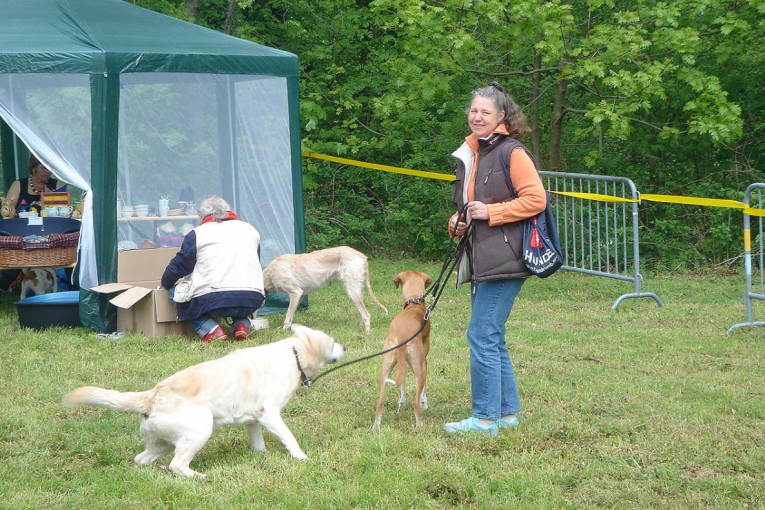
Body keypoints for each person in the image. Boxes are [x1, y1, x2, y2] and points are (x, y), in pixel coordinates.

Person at [444, 82, 547, 436]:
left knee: (481, 334)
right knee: (492, 335)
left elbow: (536, 200)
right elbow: (471, 206)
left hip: (508, 256)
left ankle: (485, 420)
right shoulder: (474, 153)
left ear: (502, 116)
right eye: (473, 111)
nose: (477, 117)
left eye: (485, 112)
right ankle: (506, 414)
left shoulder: (511, 152)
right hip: (483, 255)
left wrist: (491, 212)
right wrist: (459, 221)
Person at [161, 196, 265, 342]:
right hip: (252, 299)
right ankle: (241, 324)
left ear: (202, 215)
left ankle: (211, 330)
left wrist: (166, 282)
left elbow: (181, 265)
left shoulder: (198, 233)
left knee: (174, 293)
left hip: (214, 301)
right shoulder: (251, 230)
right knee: (239, 291)